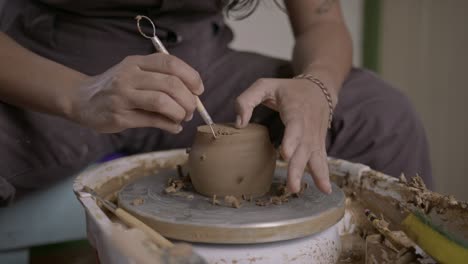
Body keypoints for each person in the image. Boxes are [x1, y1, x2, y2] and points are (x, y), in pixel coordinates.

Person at [0, 0, 432, 205]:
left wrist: (316, 86)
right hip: (48, 64)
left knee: (381, 118)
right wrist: (78, 95)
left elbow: (321, 20)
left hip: (202, 67)